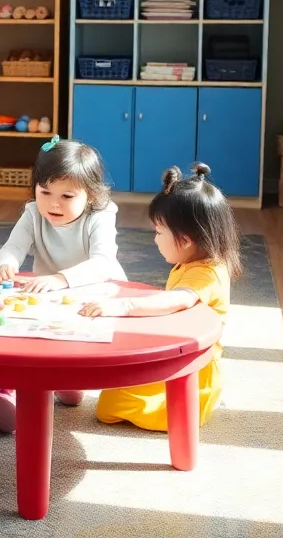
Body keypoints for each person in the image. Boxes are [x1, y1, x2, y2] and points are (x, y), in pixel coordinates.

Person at [0, 136, 126, 433]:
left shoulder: (100, 216)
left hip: (90, 301)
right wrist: (6, 264)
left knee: (33, 349)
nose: (53, 204)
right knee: (5, 333)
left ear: (92, 196)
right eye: (45, 192)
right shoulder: (34, 213)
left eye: (67, 197)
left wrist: (61, 279)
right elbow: (12, 247)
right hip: (45, 298)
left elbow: (103, 263)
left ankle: (19, 393)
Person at [80, 163, 240, 430]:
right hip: (178, 358)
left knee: (110, 408)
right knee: (116, 388)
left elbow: (177, 300)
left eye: (158, 232)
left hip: (194, 374)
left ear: (186, 239)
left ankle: (190, 411)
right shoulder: (195, 262)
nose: (154, 240)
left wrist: (124, 305)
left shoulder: (206, 274)